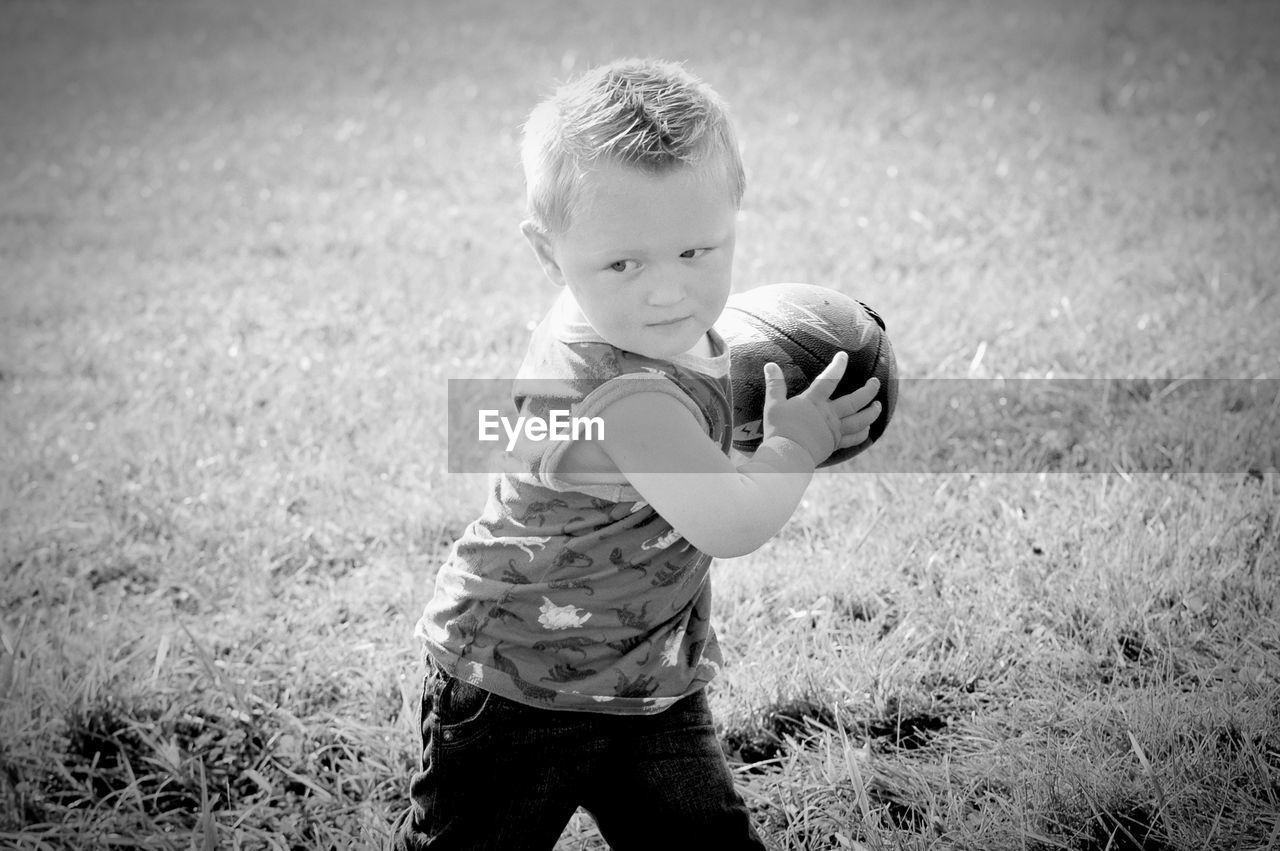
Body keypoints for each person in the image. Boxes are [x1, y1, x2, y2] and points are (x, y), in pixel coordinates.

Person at [391, 57, 881, 850]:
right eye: (625, 263)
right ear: (549, 256)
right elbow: (729, 522)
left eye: (697, 251)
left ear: (736, 216)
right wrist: (795, 441)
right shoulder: (630, 398)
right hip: (517, 688)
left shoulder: (619, 317)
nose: (668, 292)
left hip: (645, 681)